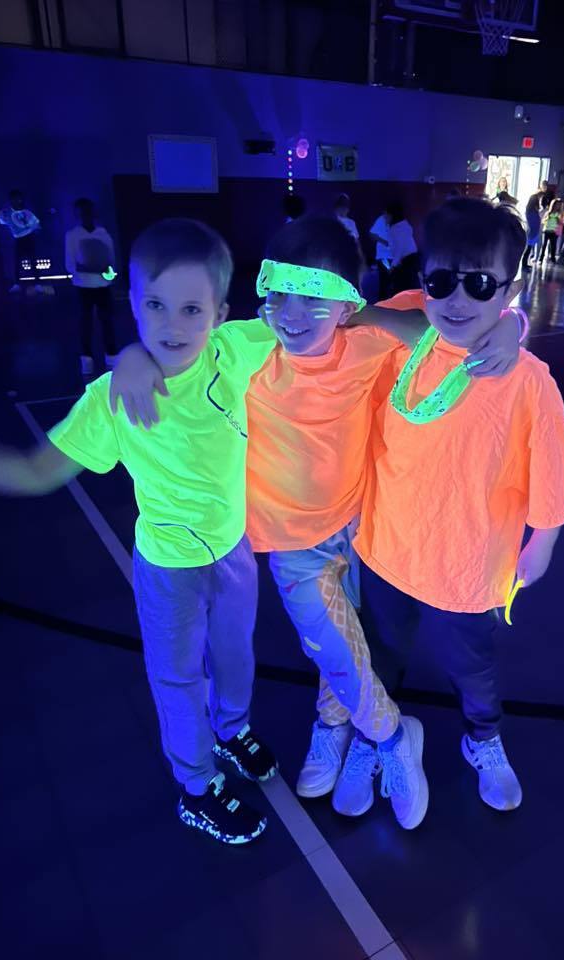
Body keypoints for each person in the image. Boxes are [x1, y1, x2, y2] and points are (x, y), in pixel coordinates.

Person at [109, 214, 524, 831]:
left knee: (349, 644)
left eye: (314, 299)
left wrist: (512, 325)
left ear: (345, 304)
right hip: (293, 546)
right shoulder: (246, 351)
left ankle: (335, 725)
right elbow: (179, 339)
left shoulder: (366, 340)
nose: (293, 314)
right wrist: (132, 356)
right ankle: (389, 736)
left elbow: (443, 323)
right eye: (279, 297)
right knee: (328, 639)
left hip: (361, 529)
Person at [0, 218, 280, 846]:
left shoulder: (235, 349)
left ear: (220, 313)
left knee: (234, 656)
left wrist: (499, 321)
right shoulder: (112, 400)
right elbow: (40, 471)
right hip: (169, 567)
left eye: (190, 309)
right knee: (178, 680)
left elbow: (315, 316)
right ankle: (197, 787)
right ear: (133, 304)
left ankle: (231, 730)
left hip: (233, 550)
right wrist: (130, 358)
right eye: (154, 306)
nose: (172, 325)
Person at [353, 198, 564, 814]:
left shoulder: (526, 379)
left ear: (509, 289)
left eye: (480, 285)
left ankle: (483, 739)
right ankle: (376, 732)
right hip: (388, 544)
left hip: (469, 559)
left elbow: (554, 464)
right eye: (440, 281)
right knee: (381, 650)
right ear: (420, 277)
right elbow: (354, 326)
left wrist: (545, 540)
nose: (458, 300)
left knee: (472, 664)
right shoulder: (399, 348)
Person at [65, 198, 118, 377]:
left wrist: (107, 272)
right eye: (81, 213)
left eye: (88, 212)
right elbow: (70, 264)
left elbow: (111, 262)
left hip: (103, 285)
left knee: (107, 322)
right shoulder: (72, 235)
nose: (85, 216)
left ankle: (111, 357)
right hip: (83, 286)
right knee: (85, 323)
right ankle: (86, 359)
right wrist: (91, 267)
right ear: (77, 215)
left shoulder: (103, 234)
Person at [0, 189, 41, 293]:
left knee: (33, 261)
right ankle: (17, 284)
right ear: (11, 200)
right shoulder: (6, 213)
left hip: (29, 238)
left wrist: (36, 228)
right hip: (18, 239)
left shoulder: (27, 211)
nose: (18, 200)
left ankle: (37, 284)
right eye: (15, 198)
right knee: (17, 262)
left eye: (19, 198)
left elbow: (36, 224)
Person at [387, 201, 419, 294]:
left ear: (392, 215)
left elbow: (399, 249)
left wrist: (393, 266)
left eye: (386, 214)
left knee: (403, 288)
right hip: (411, 260)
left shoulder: (398, 228)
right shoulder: (404, 225)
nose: (385, 217)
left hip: (408, 261)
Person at [370, 206, 393, 300]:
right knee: (384, 282)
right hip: (383, 256)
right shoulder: (380, 220)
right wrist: (385, 242)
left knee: (392, 281)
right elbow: (372, 234)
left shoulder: (396, 221)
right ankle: (382, 303)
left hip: (394, 256)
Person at [539, 198, 564, 264]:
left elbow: (561, 222)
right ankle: (540, 258)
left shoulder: (559, 214)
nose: (557, 206)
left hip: (554, 231)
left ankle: (553, 258)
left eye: (559, 205)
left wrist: (558, 220)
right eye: (556, 205)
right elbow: (543, 221)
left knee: (553, 245)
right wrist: (547, 219)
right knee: (544, 245)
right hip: (546, 230)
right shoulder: (548, 212)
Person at [522, 192, 542, 269]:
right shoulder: (532, 211)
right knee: (528, 250)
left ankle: (525, 264)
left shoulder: (530, 210)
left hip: (533, 231)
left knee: (528, 249)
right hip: (532, 232)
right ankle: (524, 265)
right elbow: (533, 222)